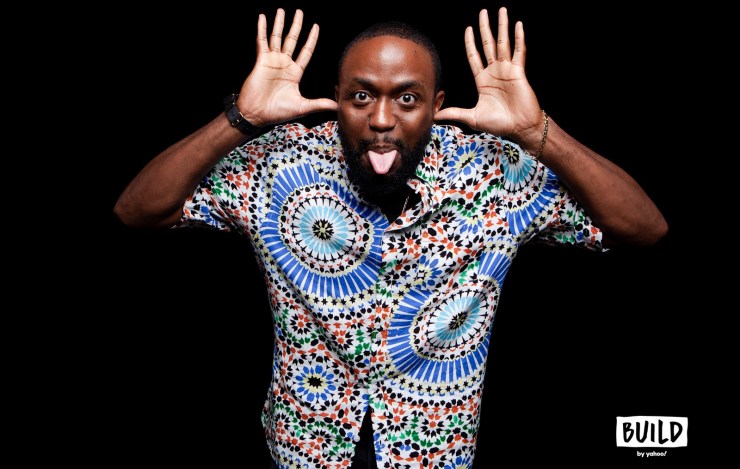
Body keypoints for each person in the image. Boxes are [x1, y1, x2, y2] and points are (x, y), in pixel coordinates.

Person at [114, 6, 667, 468]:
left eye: (407, 98)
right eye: (361, 97)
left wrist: (537, 133)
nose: (381, 119)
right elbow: (137, 212)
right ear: (336, 97)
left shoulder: (495, 176)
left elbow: (643, 229)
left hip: (435, 454)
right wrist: (240, 118)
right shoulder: (278, 167)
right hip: (304, 449)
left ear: (436, 105)